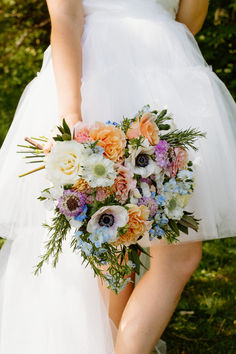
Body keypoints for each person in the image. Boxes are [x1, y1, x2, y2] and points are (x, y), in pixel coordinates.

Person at [0, 0, 235, 353]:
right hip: (103, 76)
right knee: (116, 252)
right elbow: (65, 16)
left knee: (160, 254)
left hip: (153, 72)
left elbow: (188, 20)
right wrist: (72, 116)